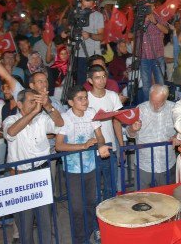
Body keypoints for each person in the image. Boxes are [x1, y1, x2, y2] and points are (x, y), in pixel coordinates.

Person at [4, 88, 63, 244]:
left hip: (41, 171)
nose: (35, 105)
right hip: (21, 175)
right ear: (19, 104)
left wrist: (48, 105)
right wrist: (34, 112)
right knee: (25, 221)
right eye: (31, 102)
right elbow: (11, 132)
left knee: (45, 218)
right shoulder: (10, 120)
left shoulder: (42, 119)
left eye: (36, 101)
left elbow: (60, 124)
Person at [55, 86, 111, 244]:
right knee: (77, 208)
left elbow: (100, 136)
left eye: (85, 97)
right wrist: (83, 146)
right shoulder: (65, 118)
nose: (85, 101)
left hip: (91, 166)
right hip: (73, 170)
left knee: (91, 204)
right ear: (71, 102)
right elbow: (58, 146)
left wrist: (100, 145)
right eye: (80, 98)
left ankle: (90, 233)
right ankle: (80, 240)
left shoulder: (91, 113)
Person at [127, 84, 179, 189]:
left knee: (167, 199)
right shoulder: (140, 109)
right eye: (152, 101)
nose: (155, 106)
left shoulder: (174, 108)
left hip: (167, 163)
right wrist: (133, 129)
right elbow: (129, 134)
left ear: (166, 98)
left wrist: (178, 135)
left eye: (159, 103)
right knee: (143, 200)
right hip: (144, 164)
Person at [86, 65, 124, 200]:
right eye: (97, 78)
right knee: (93, 188)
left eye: (104, 76)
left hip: (110, 145)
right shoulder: (85, 99)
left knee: (111, 187)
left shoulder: (113, 96)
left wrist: (121, 146)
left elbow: (117, 121)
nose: (101, 80)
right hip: (91, 146)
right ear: (90, 80)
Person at [73, 0, 105, 86]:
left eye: (88, 7)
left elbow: (101, 36)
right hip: (77, 53)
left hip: (92, 54)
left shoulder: (98, 16)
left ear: (93, 5)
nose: (86, 9)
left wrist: (90, 35)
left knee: (94, 81)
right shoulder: (76, 14)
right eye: (84, 7)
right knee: (80, 83)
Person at [139, 10, 169, 103]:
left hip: (157, 55)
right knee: (146, 85)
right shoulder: (139, 17)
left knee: (160, 83)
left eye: (149, 5)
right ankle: (147, 107)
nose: (147, 8)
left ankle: (161, 104)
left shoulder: (158, 16)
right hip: (144, 56)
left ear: (153, 6)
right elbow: (132, 34)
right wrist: (143, 22)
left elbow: (166, 30)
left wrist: (155, 22)